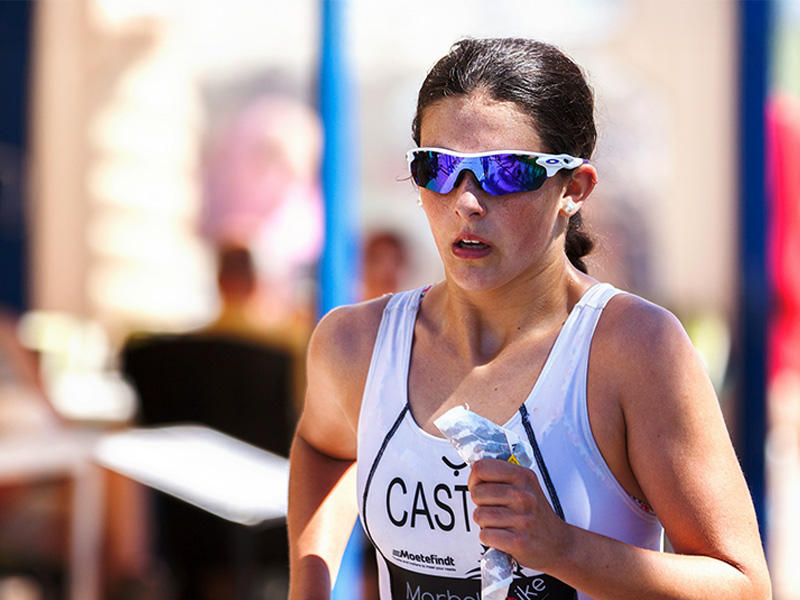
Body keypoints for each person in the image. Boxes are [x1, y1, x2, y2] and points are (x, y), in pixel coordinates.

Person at [287, 37, 771, 600]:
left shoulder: (633, 349)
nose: (466, 201)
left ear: (573, 188)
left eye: (505, 172)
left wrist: (562, 547)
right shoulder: (357, 345)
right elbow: (323, 448)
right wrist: (309, 583)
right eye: (438, 167)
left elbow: (743, 586)